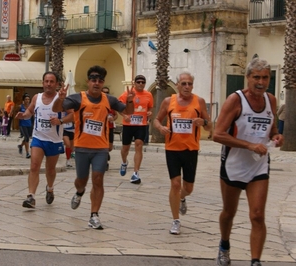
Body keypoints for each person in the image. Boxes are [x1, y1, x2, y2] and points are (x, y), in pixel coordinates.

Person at [212, 58, 284, 266]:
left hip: (258, 166)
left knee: (258, 215)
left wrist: (277, 136)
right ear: (248, 78)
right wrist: (249, 145)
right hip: (233, 164)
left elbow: (272, 130)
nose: (261, 82)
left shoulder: (270, 100)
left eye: (265, 77)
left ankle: (255, 261)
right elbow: (217, 135)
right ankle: (224, 244)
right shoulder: (235, 100)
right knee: (229, 212)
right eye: (256, 77)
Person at [52, 65, 134, 229]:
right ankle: (79, 192)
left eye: (100, 81)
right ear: (88, 82)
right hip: (82, 147)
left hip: (101, 149)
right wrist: (60, 98)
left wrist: (130, 99)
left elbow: (128, 112)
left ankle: (94, 215)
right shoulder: (77, 98)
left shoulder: (109, 99)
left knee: (98, 180)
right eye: (93, 80)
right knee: (81, 180)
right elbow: (56, 109)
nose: (97, 83)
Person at [153, 71, 212, 235]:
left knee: (188, 187)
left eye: (190, 84)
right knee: (175, 184)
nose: (187, 87)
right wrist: (161, 127)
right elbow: (157, 119)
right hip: (172, 149)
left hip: (191, 150)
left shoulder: (199, 101)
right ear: (177, 85)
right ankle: (175, 220)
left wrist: (204, 122)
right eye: (183, 83)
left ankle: (182, 198)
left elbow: (209, 126)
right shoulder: (168, 101)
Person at [16, 72, 73, 208]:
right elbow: (29, 112)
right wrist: (23, 116)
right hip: (38, 138)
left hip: (54, 140)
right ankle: (31, 197)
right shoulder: (37, 97)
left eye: (51, 81)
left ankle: (50, 187)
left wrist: (60, 120)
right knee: (34, 166)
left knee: (50, 170)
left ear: (57, 84)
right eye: (46, 81)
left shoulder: (62, 99)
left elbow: (73, 116)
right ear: (42, 83)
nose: (48, 84)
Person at [118, 75, 153, 184]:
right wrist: (124, 116)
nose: (141, 84)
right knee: (125, 148)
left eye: (143, 82)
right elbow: (119, 107)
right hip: (128, 125)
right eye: (138, 82)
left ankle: (135, 173)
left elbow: (150, 107)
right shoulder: (127, 94)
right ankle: (124, 162)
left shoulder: (148, 94)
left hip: (141, 125)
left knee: (139, 144)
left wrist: (149, 113)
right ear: (134, 83)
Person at [101, 86, 118, 170]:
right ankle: (105, 162)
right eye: (104, 92)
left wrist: (112, 119)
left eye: (107, 92)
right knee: (103, 145)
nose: (105, 93)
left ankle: (106, 153)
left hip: (110, 127)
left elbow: (116, 115)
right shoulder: (98, 103)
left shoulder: (111, 104)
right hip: (102, 128)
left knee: (110, 147)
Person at [17, 94, 32, 159]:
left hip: (29, 124)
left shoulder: (31, 107)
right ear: (23, 100)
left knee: (27, 138)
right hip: (22, 124)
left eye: (28, 99)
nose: (27, 100)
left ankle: (20, 146)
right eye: (26, 99)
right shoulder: (20, 106)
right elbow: (17, 115)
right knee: (27, 138)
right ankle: (27, 153)